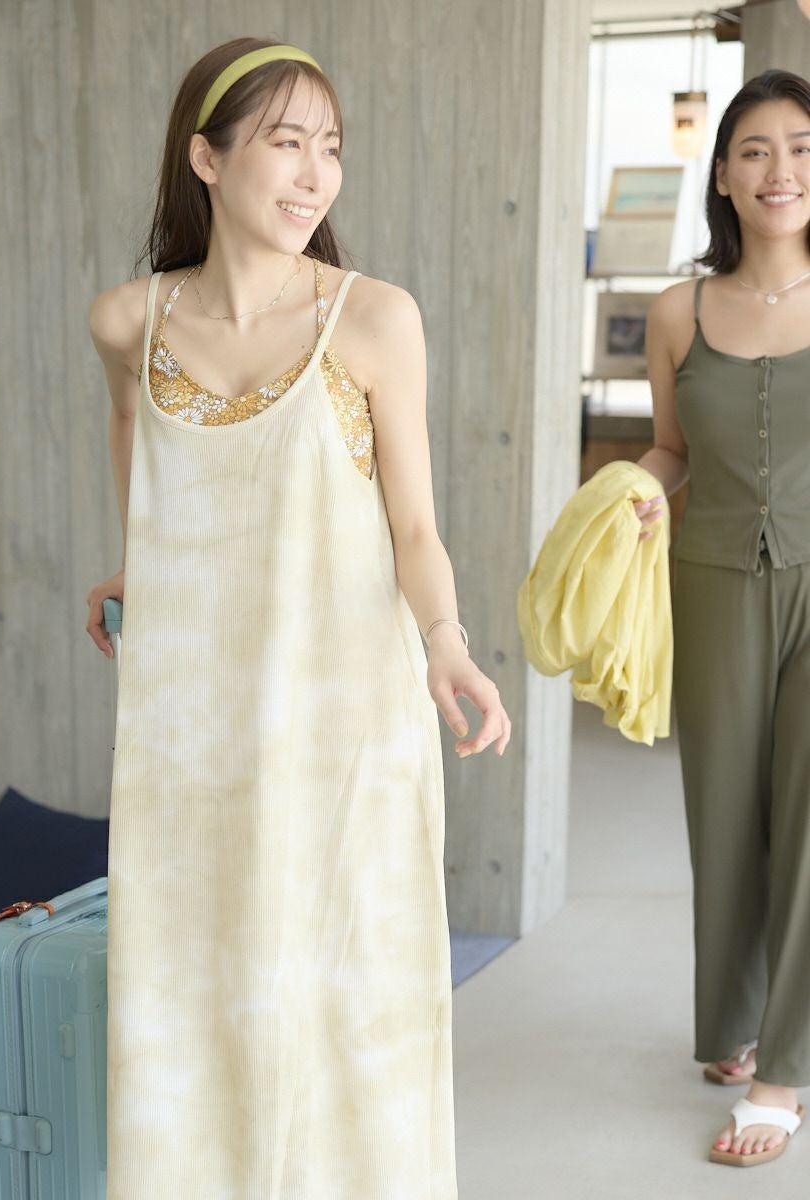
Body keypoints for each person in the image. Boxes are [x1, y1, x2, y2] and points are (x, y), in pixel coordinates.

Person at [83, 37, 511, 1198]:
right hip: (191, 735)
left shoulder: (372, 319)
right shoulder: (128, 322)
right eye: (287, 142)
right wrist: (136, 560)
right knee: (190, 1001)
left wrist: (447, 645)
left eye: (331, 147)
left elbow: (412, 525)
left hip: (347, 729)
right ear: (207, 159)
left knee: (352, 1011)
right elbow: (131, 433)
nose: (316, 172)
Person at [636, 68, 810, 1168]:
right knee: (725, 814)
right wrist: (636, 493)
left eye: (801, 146)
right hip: (706, 579)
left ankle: (783, 1073)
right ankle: (735, 1020)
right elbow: (669, 449)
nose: (780, 168)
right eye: (755, 149)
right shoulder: (677, 311)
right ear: (723, 176)